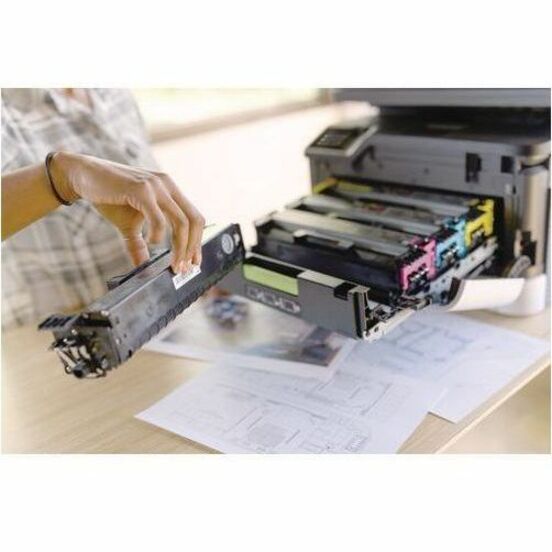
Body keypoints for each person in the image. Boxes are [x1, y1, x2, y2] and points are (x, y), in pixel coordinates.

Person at [1, 89, 205, 329]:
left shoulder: (114, 92)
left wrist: (199, 269)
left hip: (164, 325)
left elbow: (152, 208)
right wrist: (61, 177)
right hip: (53, 347)